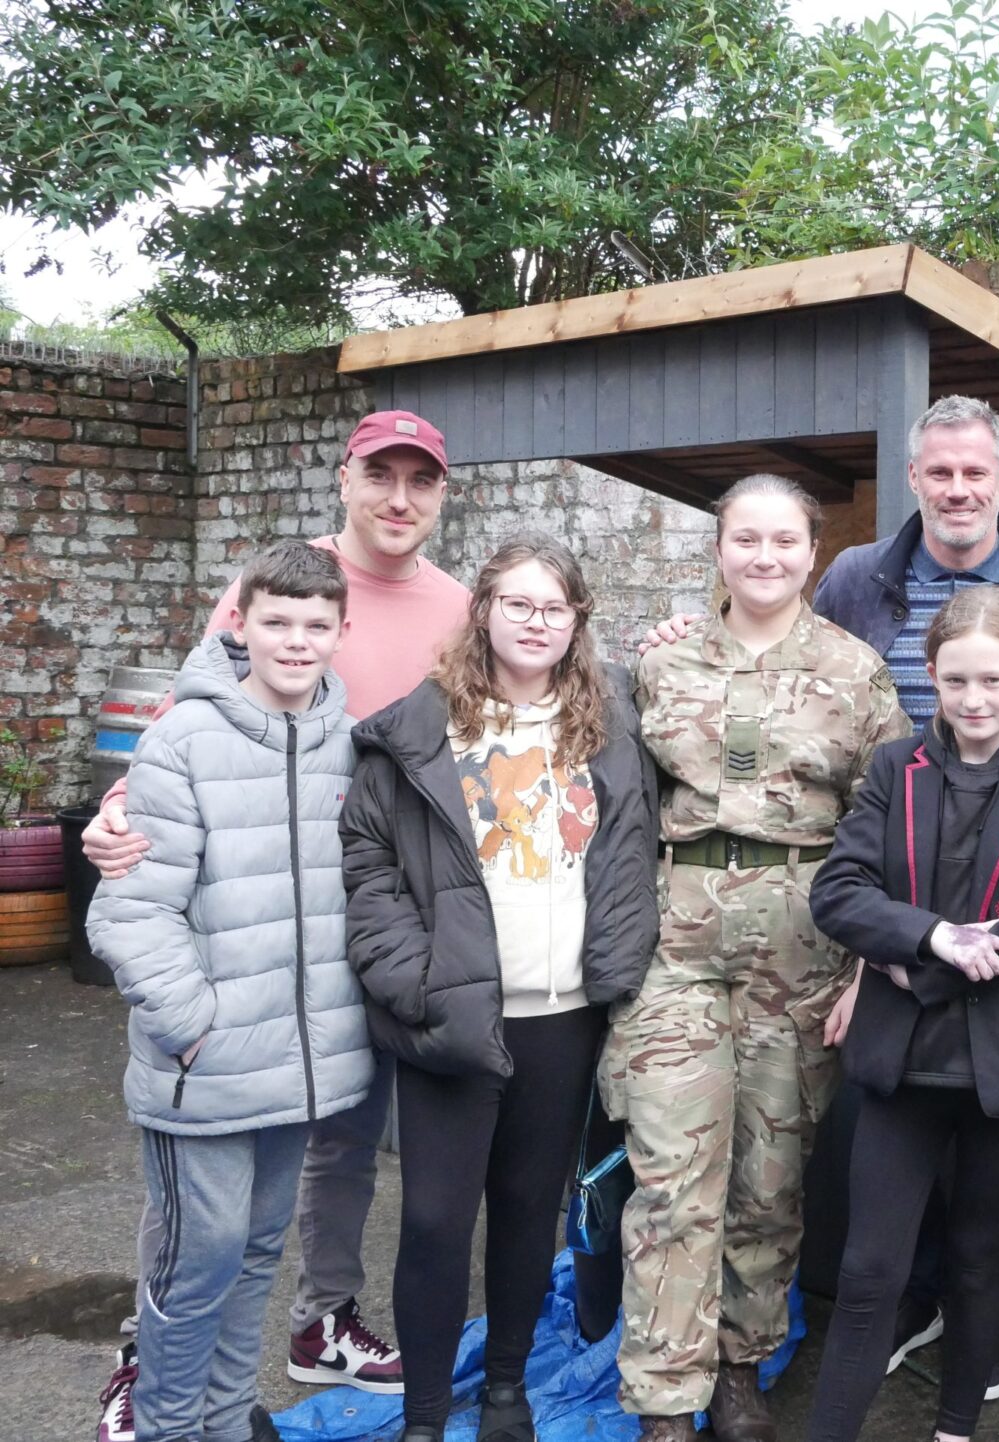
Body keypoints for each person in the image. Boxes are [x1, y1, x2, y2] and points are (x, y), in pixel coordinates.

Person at [90, 409, 465, 1441]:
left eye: (418, 479)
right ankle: (163, 1404)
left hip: (317, 1015)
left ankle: (237, 1397)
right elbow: (142, 872)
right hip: (213, 1036)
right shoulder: (205, 720)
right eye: (378, 474)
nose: (398, 495)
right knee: (196, 1246)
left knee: (262, 1234)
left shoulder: (370, 713)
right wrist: (189, 1015)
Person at [601, 474, 909, 1442]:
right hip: (676, 932)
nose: (765, 556)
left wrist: (865, 966)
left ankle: (740, 1363)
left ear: (813, 552)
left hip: (803, 934)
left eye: (784, 540)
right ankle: (664, 1396)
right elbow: (614, 796)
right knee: (671, 1167)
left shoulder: (857, 669)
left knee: (770, 1174)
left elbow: (889, 821)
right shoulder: (658, 660)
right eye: (746, 538)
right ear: (719, 546)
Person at [340, 534, 658, 1442]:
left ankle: (508, 1390)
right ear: (481, 610)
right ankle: (426, 1416)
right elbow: (369, 869)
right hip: (454, 1017)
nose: (536, 622)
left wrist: (618, 973)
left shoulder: (610, 727)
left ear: (577, 623)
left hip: (563, 1017)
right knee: (437, 1222)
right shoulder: (418, 730)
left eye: (555, 608)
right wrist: (418, 985)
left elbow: (635, 857)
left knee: (528, 1215)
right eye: (517, 603)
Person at [86, 541, 374, 1442]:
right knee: (194, 1265)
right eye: (276, 622)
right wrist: (190, 1025)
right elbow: (130, 912)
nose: (295, 642)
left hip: (295, 1069)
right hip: (203, 1068)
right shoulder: (182, 739)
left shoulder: (345, 739)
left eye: (315, 625)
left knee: (255, 1256)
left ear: (341, 632)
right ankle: (169, 1427)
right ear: (238, 622)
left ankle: (221, 1422)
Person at [804, 586, 999, 1442]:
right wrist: (935, 938)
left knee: (977, 1258)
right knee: (868, 1269)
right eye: (955, 680)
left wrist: (907, 960)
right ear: (929, 675)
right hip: (903, 1064)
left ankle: (956, 1427)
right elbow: (839, 892)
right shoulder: (896, 768)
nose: (973, 700)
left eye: (994, 681)